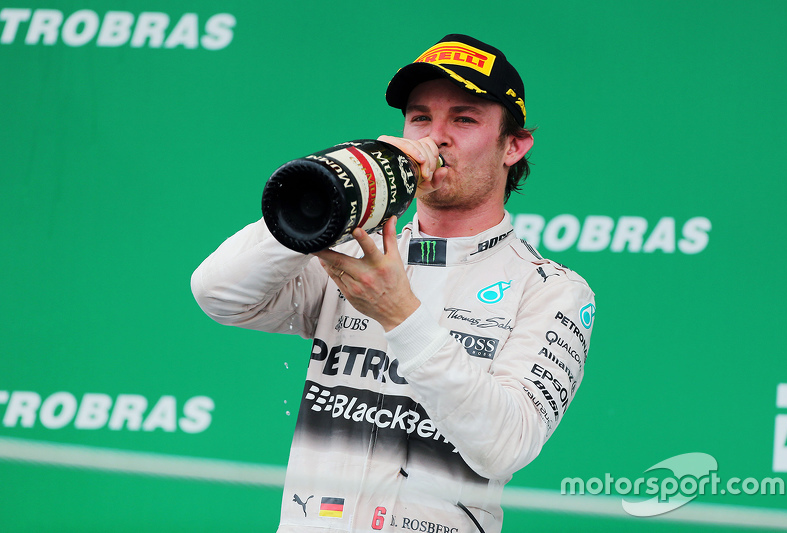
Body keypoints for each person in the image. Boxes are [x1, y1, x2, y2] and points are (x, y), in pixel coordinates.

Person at [191, 34, 595, 533]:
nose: (436, 136)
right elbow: (219, 294)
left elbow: (505, 445)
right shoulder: (352, 252)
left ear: (513, 145)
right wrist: (332, 191)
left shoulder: (551, 290)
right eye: (420, 117)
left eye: (464, 118)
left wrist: (402, 315)